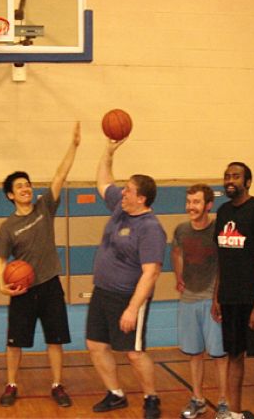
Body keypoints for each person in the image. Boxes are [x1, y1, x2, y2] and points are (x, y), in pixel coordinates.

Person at [0, 122, 80, 408]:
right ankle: (11, 384)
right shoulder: (8, 227)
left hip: (50, 284)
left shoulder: (45, 207)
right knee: (15, 342)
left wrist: (74, 146)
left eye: (27, 184)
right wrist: (4, 288)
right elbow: (1, 261)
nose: (26, 189)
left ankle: (57, 385)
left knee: (55, 340)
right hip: (23, 289)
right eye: (19, 187)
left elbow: (59, 175)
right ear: (10, 195)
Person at [86, 138, 167, 419]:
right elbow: (102, 182)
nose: (122, 191)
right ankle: (116, 394)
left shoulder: (150, 228)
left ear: (141, 198)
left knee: (133, 353)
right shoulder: (121, 208)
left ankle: (151, 398)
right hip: (103, 292)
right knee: (96, 345)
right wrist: (108, 152)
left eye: (128, 190)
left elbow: (151, 272)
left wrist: (132, 308)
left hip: (128, 296)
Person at [212, 162, 254, 419]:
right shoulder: (223, 211)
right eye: (227, 175)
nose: (230, 180)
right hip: (230, 299)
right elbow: (222, 257)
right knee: (234, 356)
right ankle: (235, 413)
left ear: (248, 182)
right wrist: (217, 295)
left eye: (236, 176)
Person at [171, 184, 229, 419]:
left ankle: (224, 404)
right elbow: (176, 252)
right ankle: (198, 400)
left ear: (208, 205)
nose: (190, 207)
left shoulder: (218, 230)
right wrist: (178, 277)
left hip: (211, 301)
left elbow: (226, 263)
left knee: (219, 356)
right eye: (189, 202)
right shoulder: (181, 230)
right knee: (194, 354)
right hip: (188, 301)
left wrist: (218, 297)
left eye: (196, 202)